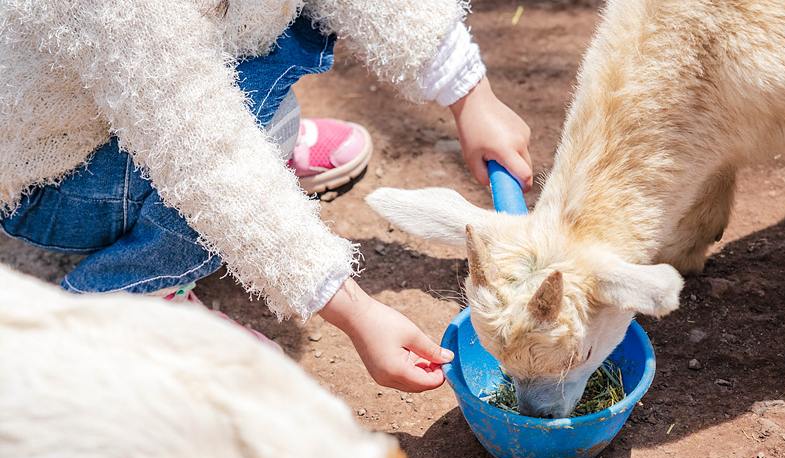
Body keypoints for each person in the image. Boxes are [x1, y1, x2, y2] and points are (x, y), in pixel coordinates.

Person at [0, 0, 532, 392]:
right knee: (227, 162)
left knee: (273, 59)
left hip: (139, 93)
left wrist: (470, 95)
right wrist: (356, 313)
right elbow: (204, 153)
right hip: (55, 176)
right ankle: (129, 297)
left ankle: (266, 131)